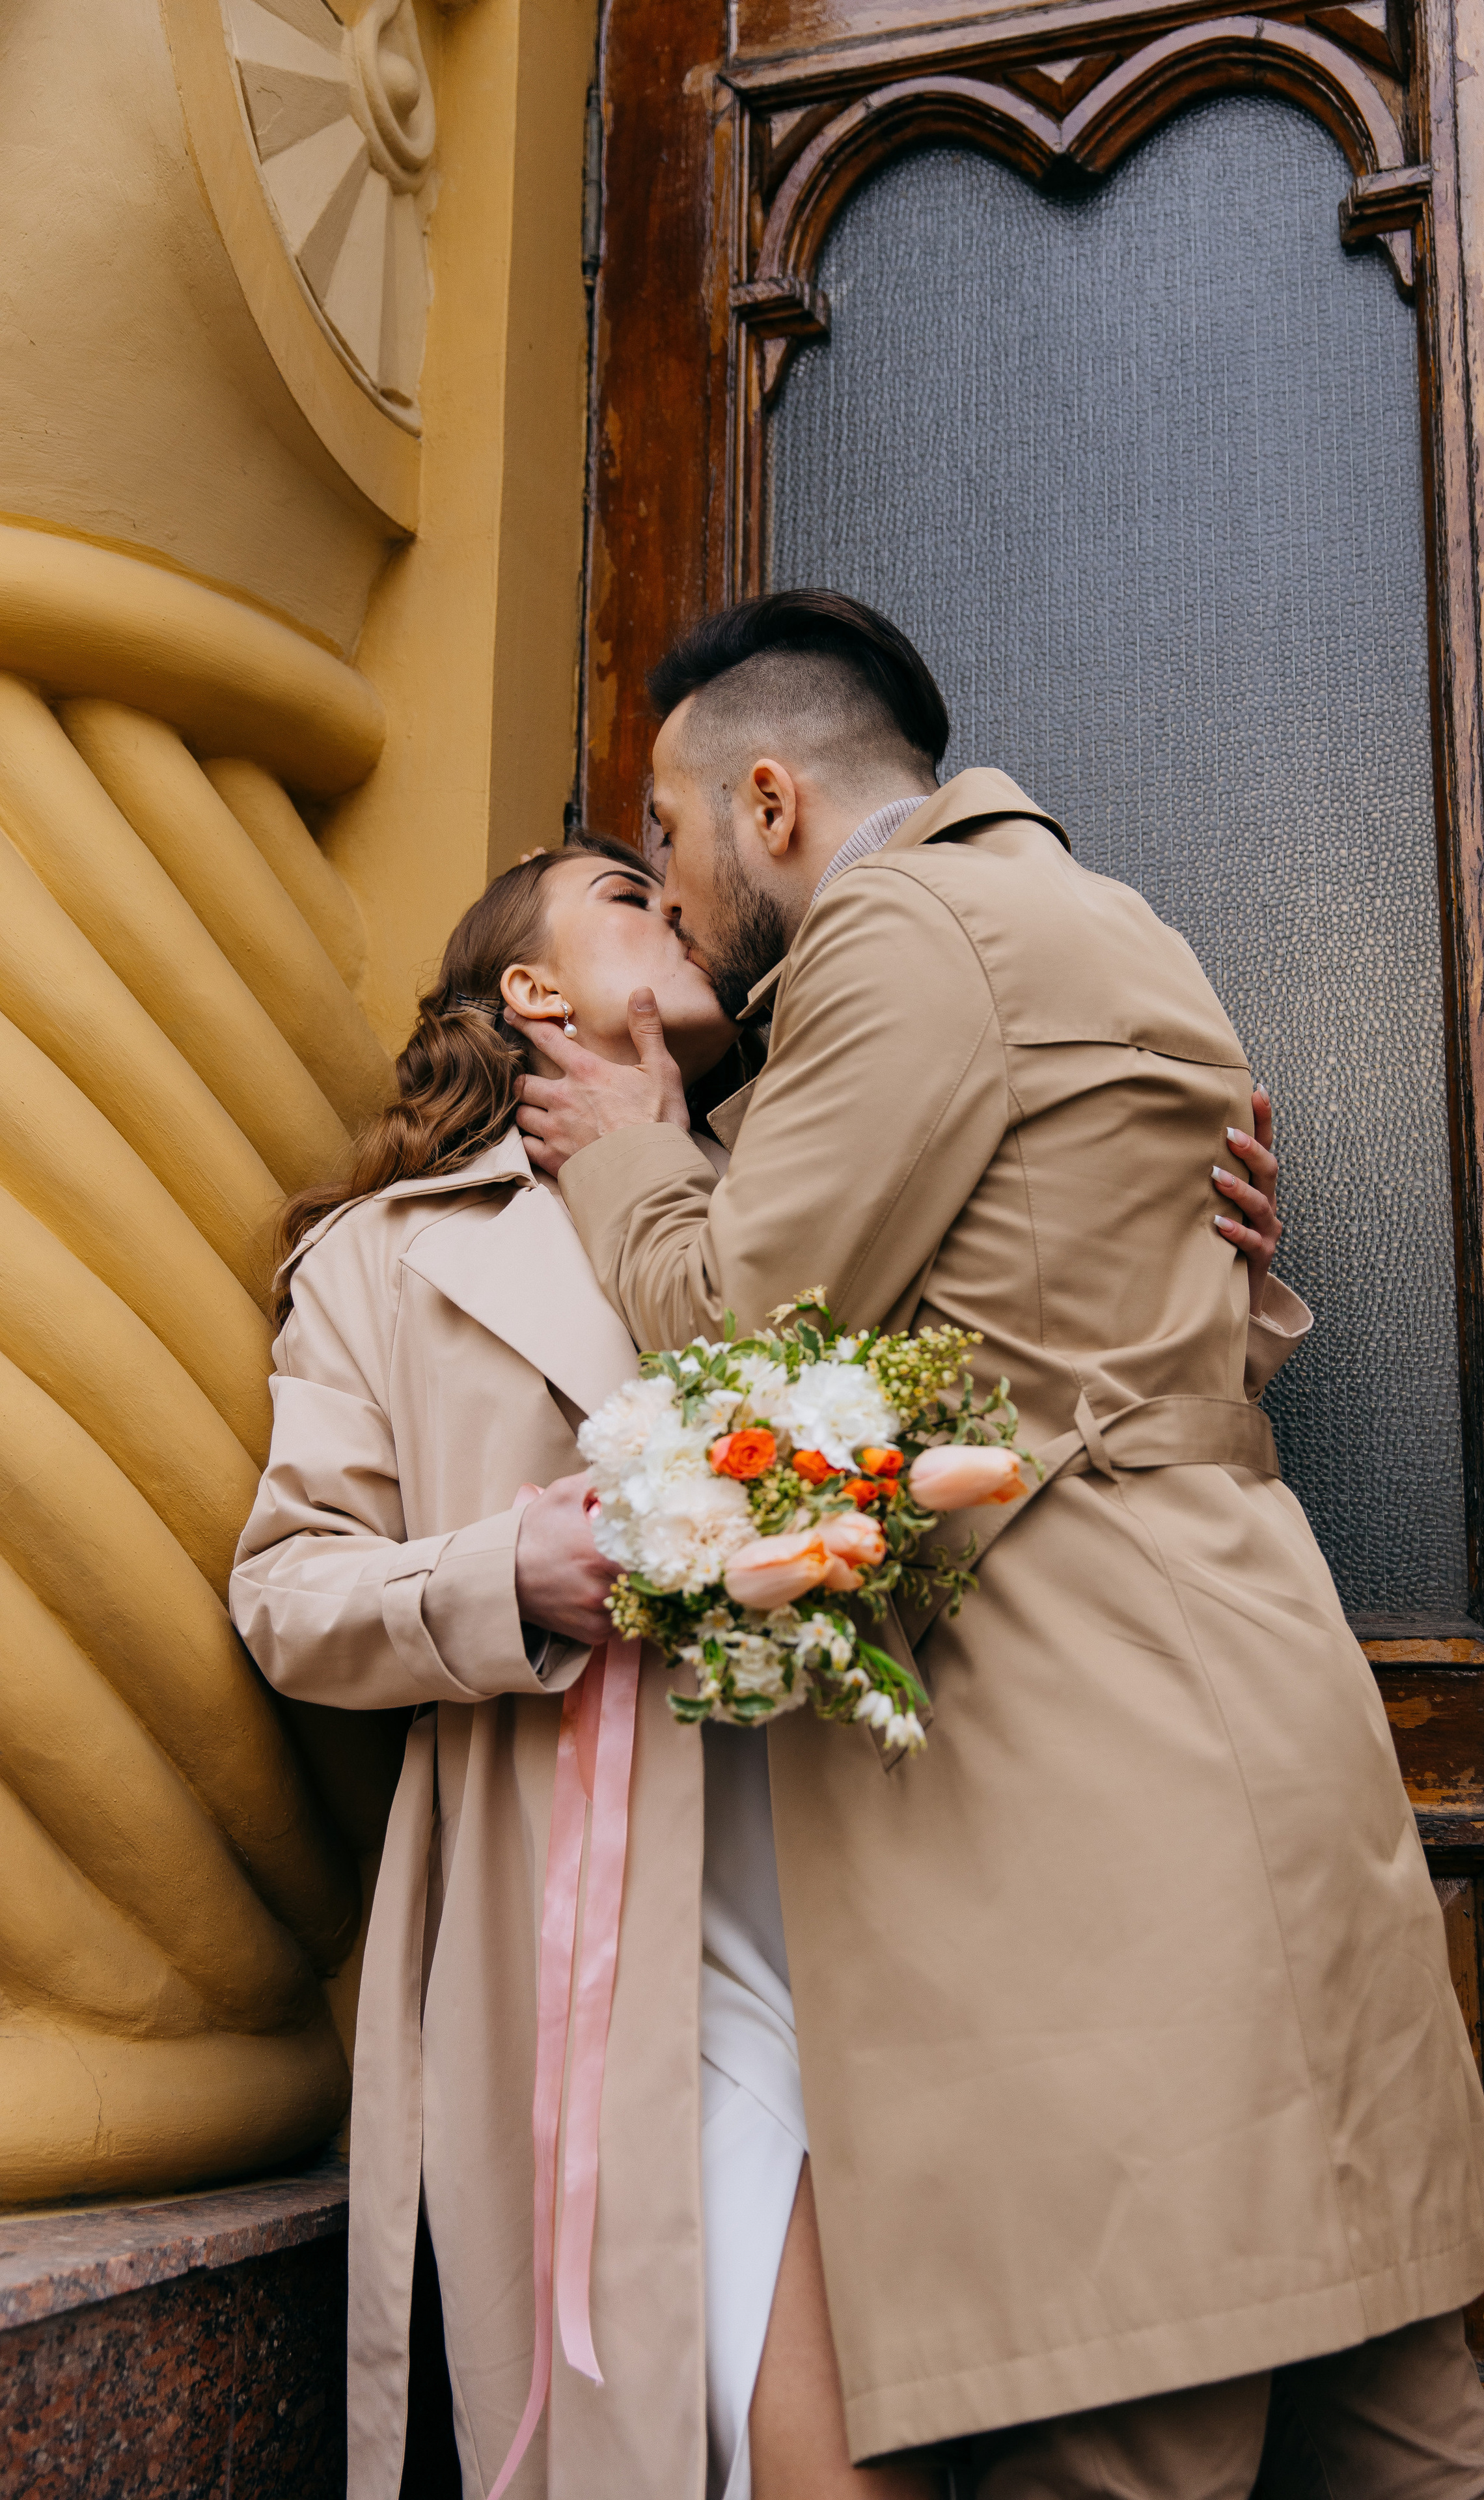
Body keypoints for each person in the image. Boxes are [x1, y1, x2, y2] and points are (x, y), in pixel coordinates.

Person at [514, 589, 1484, 2500]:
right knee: (1401, 2433)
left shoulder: (906, 933)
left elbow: (745, 1332)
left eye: (665, 837)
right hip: (1252, 1725)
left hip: (1099, 1784)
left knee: (1126, 2423)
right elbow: (1144, 1310)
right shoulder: (1115, 921)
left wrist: (624, 1146)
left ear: (771, 800)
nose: (668, 879)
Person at [230, 826, 1297, 2500]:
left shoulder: (813, 1185)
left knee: (1024, 2424)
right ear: (529, 989)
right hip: (631, 1948)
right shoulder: (388, 1259)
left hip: (915, 1882)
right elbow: (290, 1593)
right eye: (621, 895)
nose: (675, 904)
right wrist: (516, 1572)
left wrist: (1188, 1242)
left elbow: (1035, 1412)